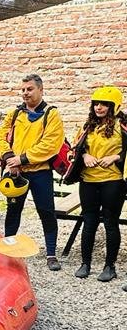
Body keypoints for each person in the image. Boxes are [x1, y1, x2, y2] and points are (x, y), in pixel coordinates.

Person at [0, 74, 64, 271]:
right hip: (17, 172)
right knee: (13, 211)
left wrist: (22, 159)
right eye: (23, 89)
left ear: (41, 90)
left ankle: (51, 253)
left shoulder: (51, 114)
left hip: (40, 172)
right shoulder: (15, 113)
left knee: (46, 211)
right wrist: (9, 158)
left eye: (30, 89)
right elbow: (0, 136)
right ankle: (8, 250)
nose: (25, 93)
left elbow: (50, 144)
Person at [67, 86, 126, 282]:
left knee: (111, 223)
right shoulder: (87, 126)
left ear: (114, 106)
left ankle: (109, 266)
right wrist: (85, 155)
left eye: (104, 104)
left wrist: (116, 157)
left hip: (113, 181)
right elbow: (74, 148)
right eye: (96, 104)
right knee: (89, 221)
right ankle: (86, 263)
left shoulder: (122, 125)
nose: (99, 107)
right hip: (89, 181)